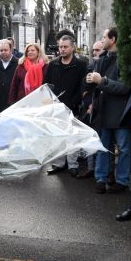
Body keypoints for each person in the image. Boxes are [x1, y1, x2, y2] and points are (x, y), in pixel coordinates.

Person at [85, 27, 131, 194]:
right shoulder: (101, 59)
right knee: (103, 146)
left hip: (120, 113)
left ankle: (122, 181)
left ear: (113, 39)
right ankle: (101, 178)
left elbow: (125, 88)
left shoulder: (125, 60)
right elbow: (97, 85)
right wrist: (90, 83)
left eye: (104, 37)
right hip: (103, 110)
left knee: (123, 149)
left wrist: (102, 81)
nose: (102, 40)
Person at [43, 35, 89, 176]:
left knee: (72, 136)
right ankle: (58, 163)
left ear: (72, 47)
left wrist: (74, 101)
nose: (62, 49)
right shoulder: (53, 64)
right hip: (56, 107)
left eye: (65, 47)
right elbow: (46, 85)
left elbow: (82, 86)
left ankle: (73, 165)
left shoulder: (80, 65)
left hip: (72, 105)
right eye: (60, 47)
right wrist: (50, 101)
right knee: (57, 136)